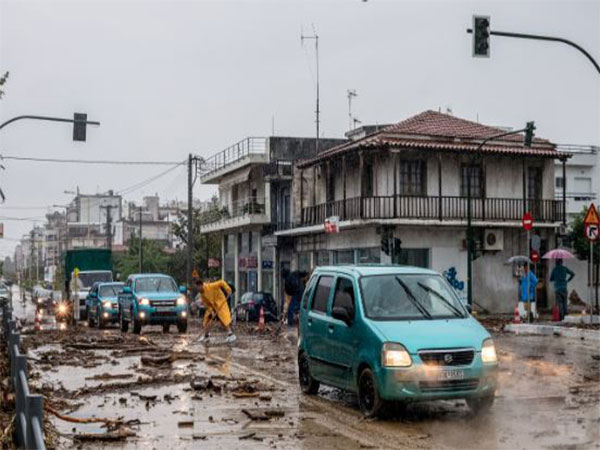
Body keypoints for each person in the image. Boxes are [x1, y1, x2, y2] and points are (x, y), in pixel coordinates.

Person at [196, 278, 236, 344]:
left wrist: (228, 289)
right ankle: (206, 336)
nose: (197, 289)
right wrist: (210, 311)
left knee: (223, 318)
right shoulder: (202, 294)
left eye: (198, 287)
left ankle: (230, 334)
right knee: (207, 319)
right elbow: (206, 303)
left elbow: (221, 282)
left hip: (220, 302)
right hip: (213, 306)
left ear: (201, 285)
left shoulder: (211, 286)